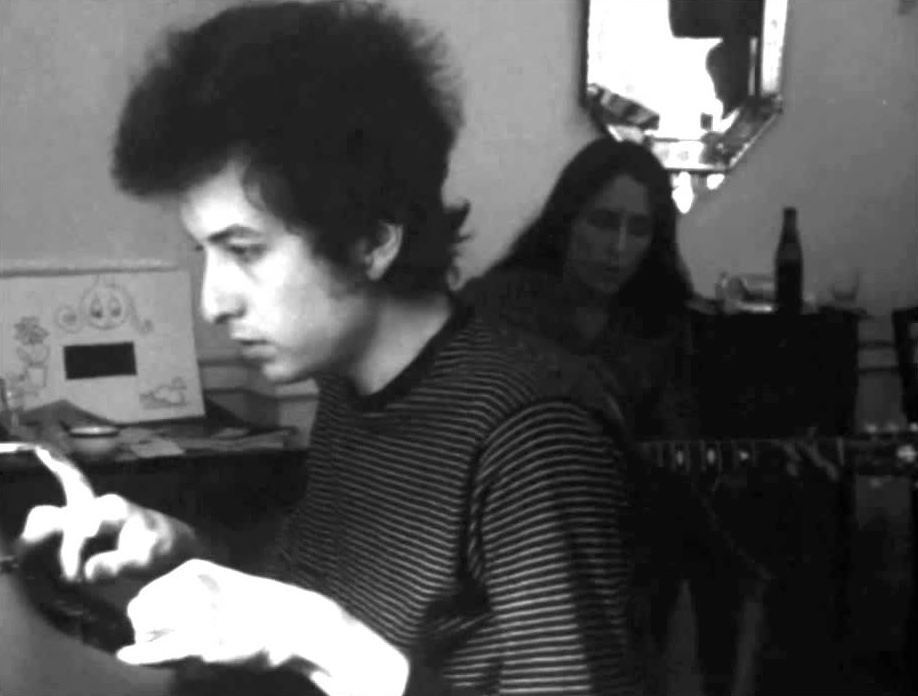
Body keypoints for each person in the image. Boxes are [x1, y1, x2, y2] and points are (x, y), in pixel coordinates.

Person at [15, 3, 647, 695]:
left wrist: (318, 637)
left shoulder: (535, 436)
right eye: (205, 252)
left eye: (245, 251)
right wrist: (184, 562)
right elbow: (324, 607)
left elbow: (325, 633)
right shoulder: (352, 386)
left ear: (371, 241)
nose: (212, 303)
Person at [463, 137, 698, 441]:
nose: (618, 247)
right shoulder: (495, 306)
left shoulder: (661, 326)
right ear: (568, 221)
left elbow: (675, 443)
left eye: (639, 229)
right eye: (604, 222)